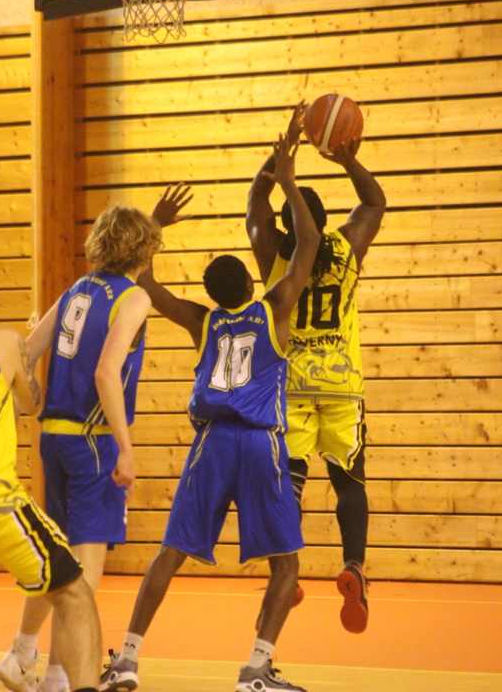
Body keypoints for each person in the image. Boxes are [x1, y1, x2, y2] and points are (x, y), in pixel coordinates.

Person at [99, 134, 320, 692]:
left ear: (216, 294)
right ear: (249, 283)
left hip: (212, 444)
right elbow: (309, 243)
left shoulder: (202, 321)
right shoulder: (275, 307)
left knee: (170, 553)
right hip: (261, 443)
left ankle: (127, 659)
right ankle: (255, 670)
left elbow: (147, 283)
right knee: (286, 564)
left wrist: (155, 224)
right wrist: (287, 181)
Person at [0, 199, 173, 692]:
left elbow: (27, 349)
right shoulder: (134, 298)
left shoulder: (77, 288)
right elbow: (106, 372)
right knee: (83, 573)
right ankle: (59, 676)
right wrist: (126, 448)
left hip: (53, 438)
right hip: (93, 443)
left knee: (55, 556)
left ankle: (21, 653)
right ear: (145, 251)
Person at [246, 102, 386, 634]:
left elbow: (255, 204)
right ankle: (353, 565)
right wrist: (346, 160)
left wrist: (281, 161)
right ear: (328, 221)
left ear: (287, 220)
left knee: (291, 482)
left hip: (291, 386)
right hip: (342, 386)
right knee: (349, 482)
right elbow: (374, 203)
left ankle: (287, 568)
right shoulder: (347, 246)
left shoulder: (273, 254)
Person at [0, 326, 102, 692]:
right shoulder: (3, 343)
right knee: (74, 594)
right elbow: (30, 402)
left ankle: (22, 654)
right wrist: (25, 356)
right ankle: (46, 669)